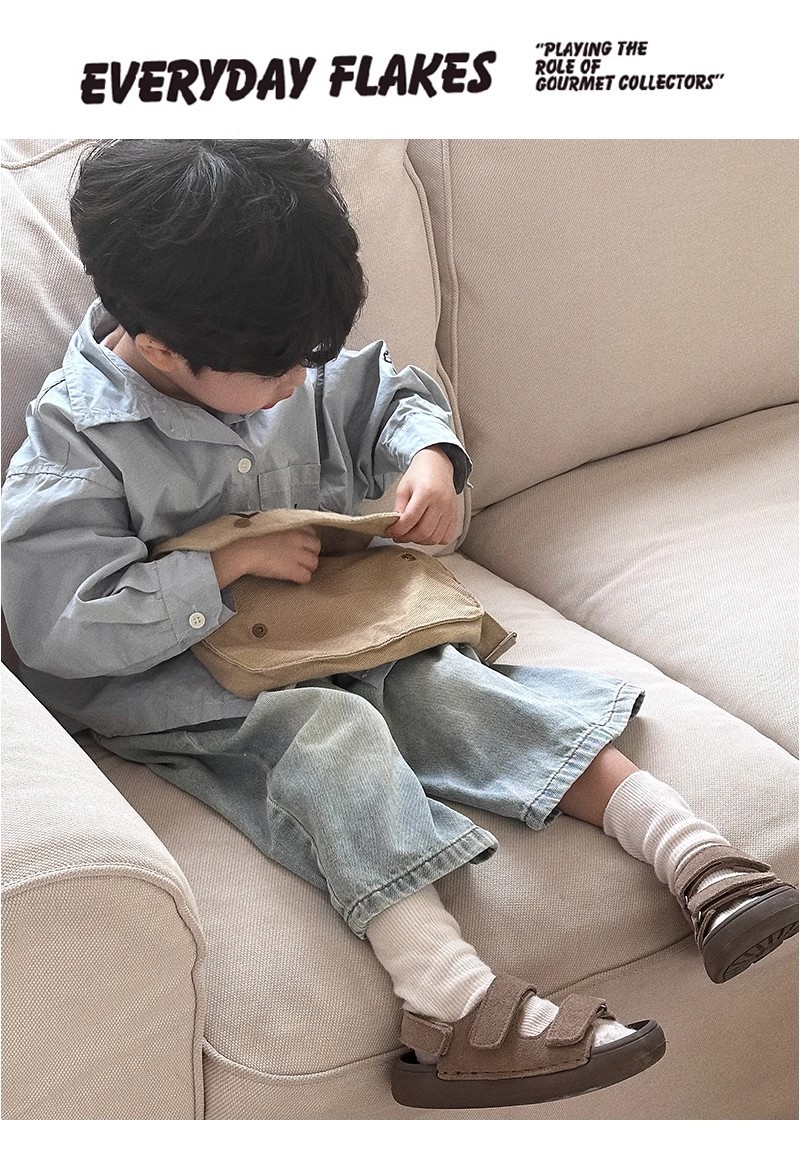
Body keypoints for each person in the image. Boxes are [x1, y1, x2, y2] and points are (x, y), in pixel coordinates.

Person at [2, 139, 796, 1110]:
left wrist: (429, 457)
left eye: (308, 358)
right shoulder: (74, 443)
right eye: (278, 370)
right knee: (329, 733)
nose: (299, 380)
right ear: (164, 349)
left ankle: (694, 853)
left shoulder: (279, 356)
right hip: (176, 676)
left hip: (329, 625)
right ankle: (446, 1005)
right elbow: (54, 623)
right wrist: (217, 565)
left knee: (452, 686)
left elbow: (382, 389)